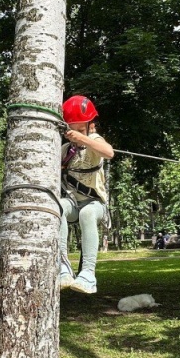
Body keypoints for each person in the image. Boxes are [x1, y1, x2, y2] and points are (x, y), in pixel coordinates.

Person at [58, 95, 114, 294]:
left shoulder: (94, 140)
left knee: (87, 214)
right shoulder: (66, 150)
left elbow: (109, 152)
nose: (75, 135)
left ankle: (88, 274)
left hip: (95, 204)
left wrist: (83, 138)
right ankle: (63, 267)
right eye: (71, 130)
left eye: (81, 130)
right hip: (73, 203)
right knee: (57, 207)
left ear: (91, 126)